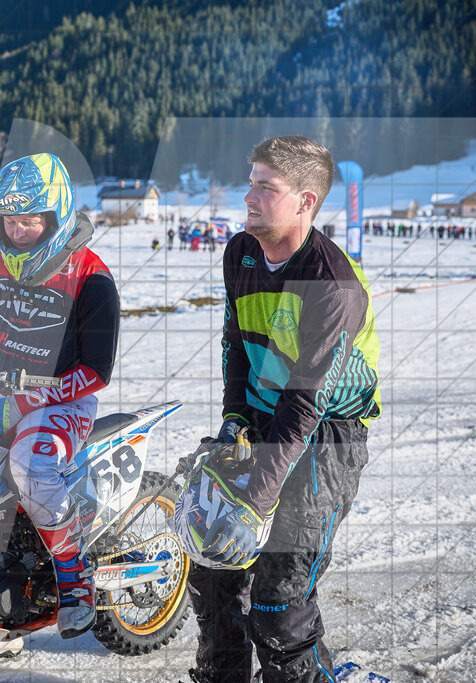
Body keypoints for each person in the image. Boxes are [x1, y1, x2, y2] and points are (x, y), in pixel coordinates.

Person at [185, 136, 381, 682]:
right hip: (262, 421)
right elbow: (235, 346)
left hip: (325, 435)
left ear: (306, 201)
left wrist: (257, 498)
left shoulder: (332, 283)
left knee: (278, 601)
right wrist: (234, 421)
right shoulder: (240, 252)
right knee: (214, 569)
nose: (249, 196)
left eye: (266, 187)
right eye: (250, 181)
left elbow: (304, 403)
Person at [0, 153, 120, 668]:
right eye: (9, 220)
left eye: (29, 220)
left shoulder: (90, 276)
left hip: (68, 401)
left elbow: (97, 371)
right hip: (4, 400)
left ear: (56, 215)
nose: (17, 231)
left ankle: (74, 573)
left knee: (31, 466)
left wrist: (27, 401)